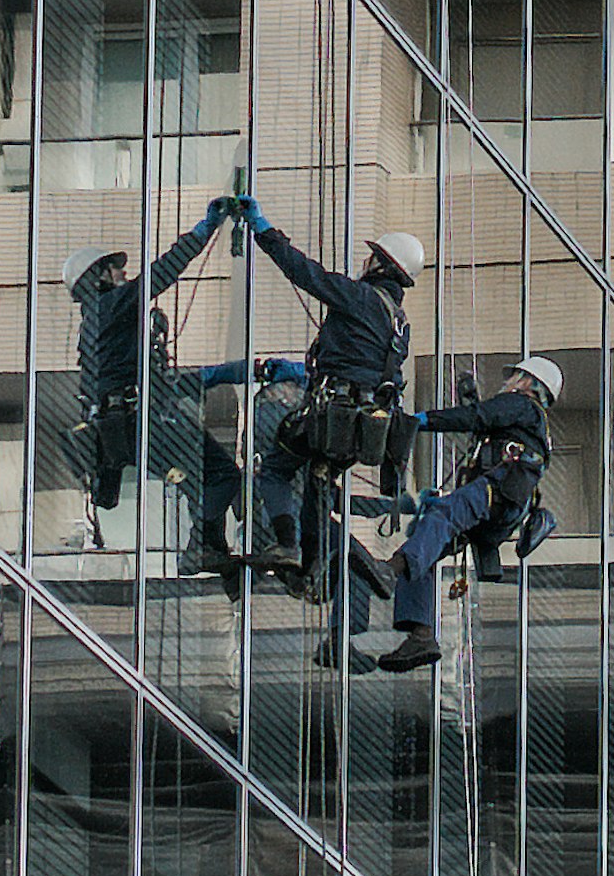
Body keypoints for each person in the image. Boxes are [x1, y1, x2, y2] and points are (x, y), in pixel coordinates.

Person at [198, 197, 425, 620]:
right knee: (319, 484)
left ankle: (287, 543)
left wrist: (263, 230)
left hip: (330, 416)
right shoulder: (399, 321)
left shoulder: (360, 298)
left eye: (371, 257)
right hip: (362, 431)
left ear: (381, 265)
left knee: (279, 469)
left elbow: (304, 272)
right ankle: (313, 566)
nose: (364, 261)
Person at [380, 351, 561, 667]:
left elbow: (477, 416)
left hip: (499, 490)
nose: (508, 382)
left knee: (440, 515)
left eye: (514, 377)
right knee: (428, 541)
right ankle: (421, 635)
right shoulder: (534, 427)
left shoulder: (521, 405)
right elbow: (482, 423)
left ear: (529, 382)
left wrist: (420, 421)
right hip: (503, 509)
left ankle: (389, 571)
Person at [65, 199, 230, 543]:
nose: (123, 273)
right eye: (114, 268)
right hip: (141, 421)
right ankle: (207, 547)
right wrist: (203, 230)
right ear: (98, 278)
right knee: (221, 473)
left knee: (197, 477)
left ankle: (206, 547)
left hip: (121, 427)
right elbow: (163, 272)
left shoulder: (91, 326)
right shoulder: (111, 305)